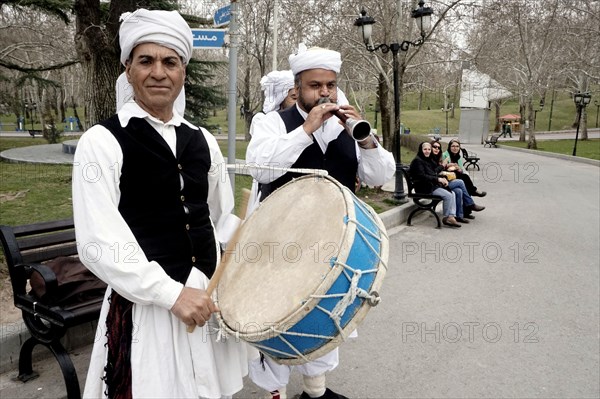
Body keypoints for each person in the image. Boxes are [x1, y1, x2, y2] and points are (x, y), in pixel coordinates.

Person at [72, 9, 248, 398]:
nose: (158, 72)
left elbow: (218, 215)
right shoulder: (101, 142)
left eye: (170, 61)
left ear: (182, 70)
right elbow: (97, 240)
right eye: (146, 60)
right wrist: (170, 294)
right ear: (127, 68)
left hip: (205, 295)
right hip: (148, 306)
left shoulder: (202, 139)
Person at [245, 44, 395, 399]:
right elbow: (260, 168)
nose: (325, 92)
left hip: (333, 243)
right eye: (316, 85)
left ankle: (316, 392)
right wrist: (305, 131)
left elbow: (379, 176)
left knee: (326, 315)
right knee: (277, 318)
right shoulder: (271, 123)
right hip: (280, 245)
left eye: (330, 84)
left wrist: (368, 139)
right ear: (298, 88)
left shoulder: (348, 127)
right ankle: (275, 393)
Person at [409, 142, 461, 227]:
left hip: (431, 185)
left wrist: (442, 178)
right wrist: (438, 179)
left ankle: (451, 216)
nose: (427, 151)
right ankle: (447, 217)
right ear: (421, 150)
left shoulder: (428, 159)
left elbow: (434, 172)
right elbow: (422, 176)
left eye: (429, 149)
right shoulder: (417, 161)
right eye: (425, 149)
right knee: (448, 195)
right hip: (424, 187)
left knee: (453, 193)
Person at [431, 140, 485, 222]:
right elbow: (438, 170)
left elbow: (461, 169)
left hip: (447, 178)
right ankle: (470, 203)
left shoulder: (458, 157)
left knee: (462, 187)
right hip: (443, 181)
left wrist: (458, 168)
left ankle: (460, 215)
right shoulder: (443, 155)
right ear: (449, 147)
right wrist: (446, 166)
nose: (455, 148)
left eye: (457, 146)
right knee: (463, 181)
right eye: (453, 146)